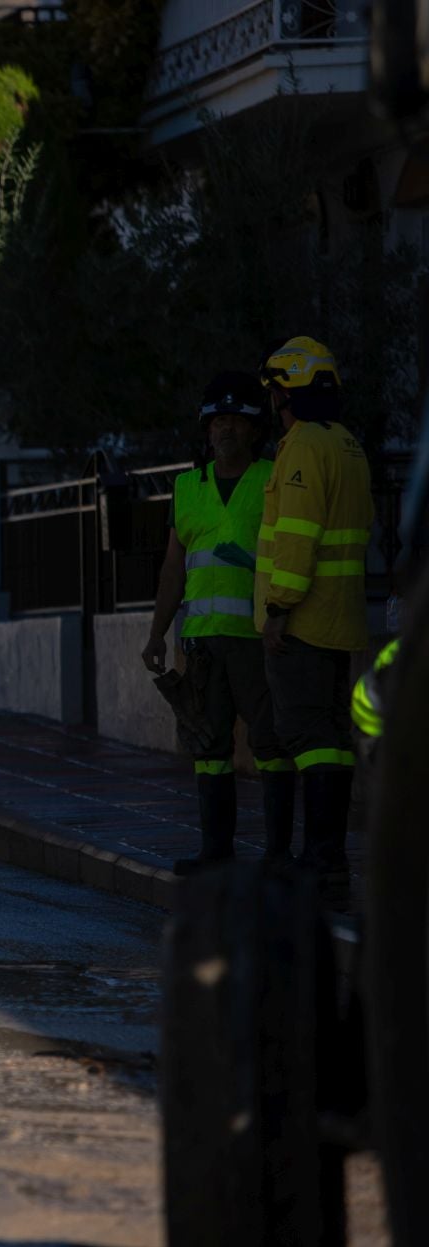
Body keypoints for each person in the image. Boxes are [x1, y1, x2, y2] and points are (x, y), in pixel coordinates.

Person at [142, 372, 294, 874]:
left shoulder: (272, 479)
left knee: (270, 743)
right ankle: (216, 851)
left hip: (257, 638)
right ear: (206, 430)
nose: (226, 429)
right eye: (217, 421)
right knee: (208, 746)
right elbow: (173, 568)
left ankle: (278, 854)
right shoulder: (187, 488)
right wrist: (157, 633)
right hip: (203, 643)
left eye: (236, 421)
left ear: (255, 429)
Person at [255, 336, 375, 913]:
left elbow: (297, 537)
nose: (272, 401)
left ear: (287, 392)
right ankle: (330, 862)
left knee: (307, 734)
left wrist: (278, 608)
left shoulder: (302, 446)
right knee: (331, 736)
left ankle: (321, 859)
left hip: (302, 619)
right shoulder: (348, 444)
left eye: (274, 391)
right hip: (340, 615)